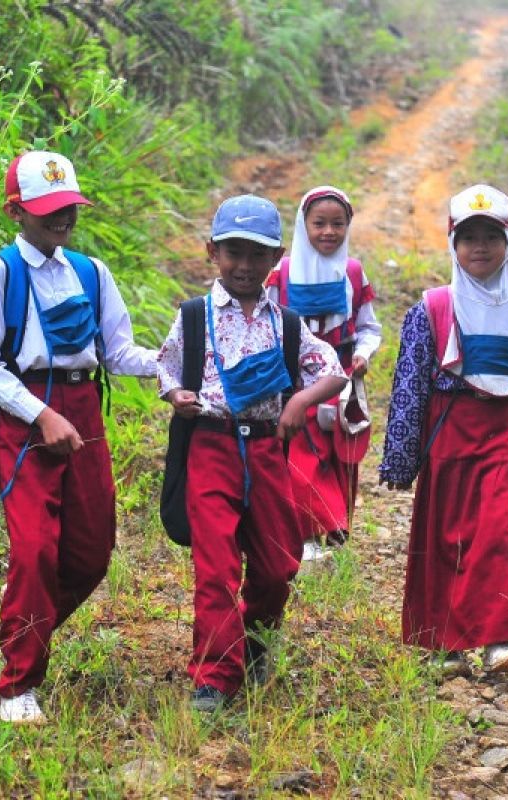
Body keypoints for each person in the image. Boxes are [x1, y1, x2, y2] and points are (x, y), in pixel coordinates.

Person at [0, 150, 157, 722]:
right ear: (16, 211)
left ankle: (25, 625)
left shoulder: (93, 273)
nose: (63, 220)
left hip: (84, 410)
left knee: (91, 551)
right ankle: (17, 682)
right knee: (33, 550)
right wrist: (40, 415)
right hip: (23, 417)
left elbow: (118, 352)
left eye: (69, 208)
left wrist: (178, 368)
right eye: (49, 210)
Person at [156, 194, 348, 712]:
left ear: (276, 258)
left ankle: (256, 639)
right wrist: (178, 396)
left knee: (277, 564)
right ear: (213, 252)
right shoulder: (194, 317)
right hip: (211, 447)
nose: (244, 266)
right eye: (233, 253)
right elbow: (167, 369)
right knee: (215, 565)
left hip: (264, 450)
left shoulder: (285, 323)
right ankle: (213, 679)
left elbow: (331, 368)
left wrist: (301, 404)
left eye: (256, 255)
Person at [379, 183, 508, 676]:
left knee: (505, 535)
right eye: (469, 237)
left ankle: (500, 638)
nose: (480, 247)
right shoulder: (433, 307)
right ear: (453, 245)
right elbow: (409, 385)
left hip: (506, 434)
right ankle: (446, 645)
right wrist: (400, 456)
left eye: (491, 236)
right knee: (447, 537)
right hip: (449, 434)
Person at [267, 186, 382, 561]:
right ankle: (306, 531)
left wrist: (362, 354)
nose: (329, 232)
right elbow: (266, 325)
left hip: (341, 384)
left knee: (339, 455)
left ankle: (333, 528)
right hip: (295, 384)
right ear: (304, 225)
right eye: (319, 223)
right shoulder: (282, 273)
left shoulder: (352, 272)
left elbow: (368, 327)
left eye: (338, 224)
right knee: (300, 455)